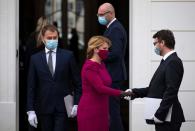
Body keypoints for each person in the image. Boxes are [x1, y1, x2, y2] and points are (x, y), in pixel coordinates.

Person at [125, 29, 185, 131]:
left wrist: (160, 114)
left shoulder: (173, 62)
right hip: (164, 118)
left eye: (155, 43)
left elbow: (171, 91)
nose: (154, 47)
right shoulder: (166, 61)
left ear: (162, 42)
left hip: (168, 118)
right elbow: (155, 88)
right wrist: (134, 92)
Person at [26, 24, 82, 131]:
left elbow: (77, 83)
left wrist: (76, 103)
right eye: (49, 38)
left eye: (55, 38)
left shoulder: (68, 56)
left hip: (63, 107)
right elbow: (31, 86)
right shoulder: (35, 59)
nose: (52, 40)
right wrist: (30, 110)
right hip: (43, 106)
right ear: (43, 39)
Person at [77, 36, 132, 131]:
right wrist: (121, 93)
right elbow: (100, 88)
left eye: (108, 49)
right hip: (90, 109)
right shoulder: (89, 67)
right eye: (104, 49)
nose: (107, 51)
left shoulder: (101, 64)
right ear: (95, 49)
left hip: (102, 108)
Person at [97, 3, 127, 131]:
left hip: (113, 76)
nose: (99, 17)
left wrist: (98, 54)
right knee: (110, 111)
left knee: (113, 111)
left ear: (111, 13)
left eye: (102, 14)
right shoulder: (111, 27)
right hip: (111, 75)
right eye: (98, 14)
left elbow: (115, 53)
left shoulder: (115, 29)